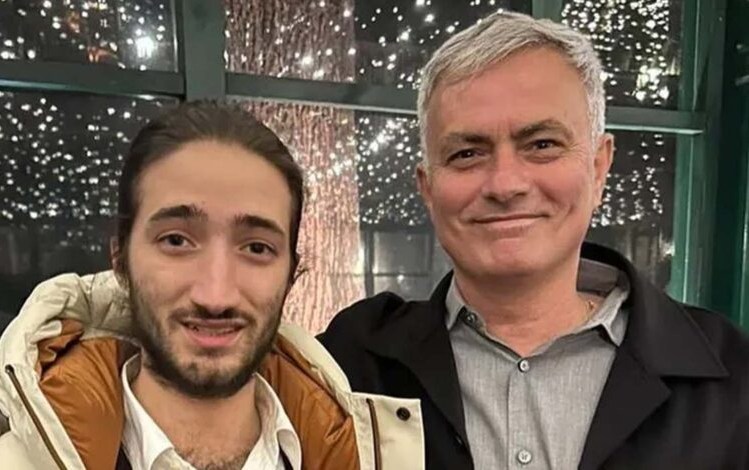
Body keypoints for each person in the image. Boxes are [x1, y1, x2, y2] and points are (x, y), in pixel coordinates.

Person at [318, 11, 749, 470]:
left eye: (542, 144)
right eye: (466, 153)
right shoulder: (347, 367)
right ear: (427, 188)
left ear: (599, 167)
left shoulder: (731, 378)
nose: (505, 184)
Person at [0, 101, 424, 470]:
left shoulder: (366, 454)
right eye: (176, 240)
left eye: (257, 247)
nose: (215, 295)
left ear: (291, 274)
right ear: (120, 261)